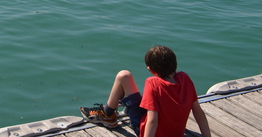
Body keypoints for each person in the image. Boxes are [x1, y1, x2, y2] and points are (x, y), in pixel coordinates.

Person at [79, 46, 211, 137]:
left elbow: (152, 120)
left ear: (150, 69)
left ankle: (107, 115)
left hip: (147, 131)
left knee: (124, 76)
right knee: (146, 100)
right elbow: (198, 112)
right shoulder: (185, 78)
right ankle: (108, 114)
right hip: (176, 133)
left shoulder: (153, 83)